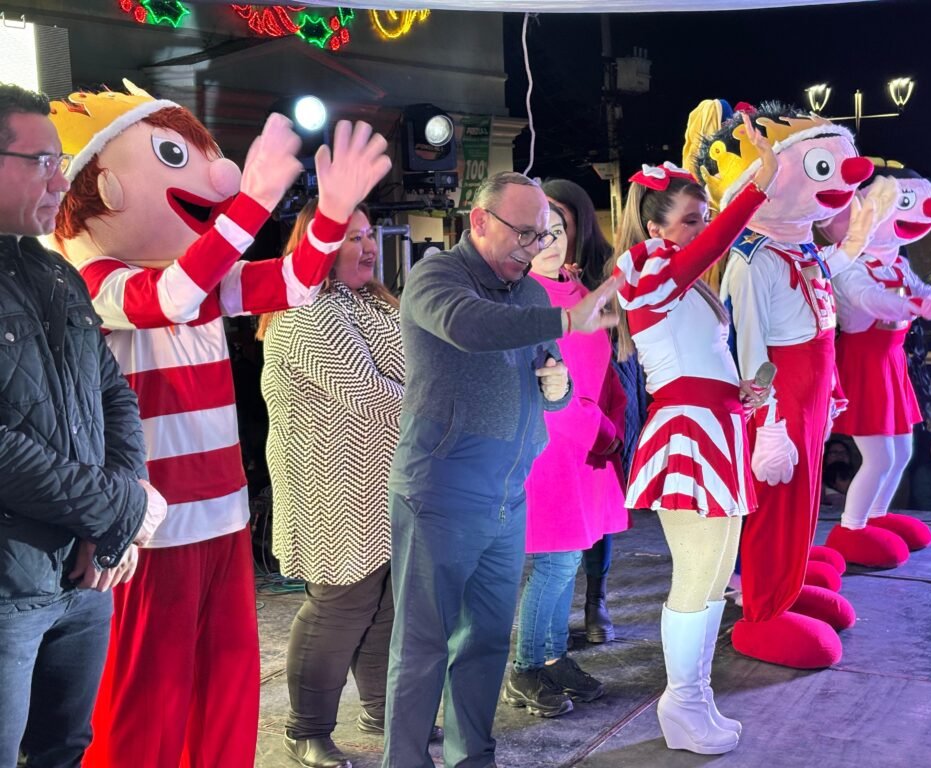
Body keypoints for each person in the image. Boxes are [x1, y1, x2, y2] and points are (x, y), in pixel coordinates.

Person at [50, 82, 393, 768]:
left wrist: (327, 215)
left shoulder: (200, 281)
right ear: (103, 184)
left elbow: (293, 284)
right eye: (178, 155)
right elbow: (170, 299)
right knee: (150, 689)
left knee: (227, 682)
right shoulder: (93, 279)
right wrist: (254, 201)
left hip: (223, 518)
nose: (223, 173)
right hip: (148, 529)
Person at [383, 171, 620, 768]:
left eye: (542, 236)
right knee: (423, 646)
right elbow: (471, 327)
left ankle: (472, 758)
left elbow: (546, 385)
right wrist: (566, 322)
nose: (533, 248)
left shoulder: (532, 295)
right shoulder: (437, 277)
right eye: (524, 233)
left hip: (508, 496)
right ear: (479, 221)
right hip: (441, 492)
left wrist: (559, 390)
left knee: (487, 642)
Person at [0, 82, 165, 767]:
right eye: (41, 159)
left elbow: (112, 395)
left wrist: (113, 525)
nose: (59, 177)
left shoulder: (55, 274)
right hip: (10, 588)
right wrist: (122, 506)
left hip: (84, 578)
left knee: (65, 749)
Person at [701, 101, 892, 668]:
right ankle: (761, 610)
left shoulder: (799, 243)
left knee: (804, 501)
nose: (843, 182)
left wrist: (830, 388)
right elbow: (750, 345)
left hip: (809, 390)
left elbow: (824, 311)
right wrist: (769, 426)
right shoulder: (751, 256)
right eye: (819, 168)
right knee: (774, 507)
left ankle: (786, 587)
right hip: (778, 402)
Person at [614, 111, 777, 754]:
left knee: (714, 577)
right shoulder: (645, 268)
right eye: (691, 218)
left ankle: (694, 697)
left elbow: (699, 357)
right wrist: (761, 181)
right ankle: (681, 702)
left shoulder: (681, 276)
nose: (704, 228)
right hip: (687, 434)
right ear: (655, 226)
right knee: (697, 574)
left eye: (706, 215)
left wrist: (740, 389)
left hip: (717, 423)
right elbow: (712, 251)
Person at [259, 202, 439, 768]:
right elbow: (370, 392)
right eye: (349, 237)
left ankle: (383, 708)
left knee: (386, 602)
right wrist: (443, 402)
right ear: (315, 248)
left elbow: (421, 366)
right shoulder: (306, 313)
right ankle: (304, 728)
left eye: (367, 235)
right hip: (331, 489)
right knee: (339, 606)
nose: (366, 246)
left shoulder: (367, 301)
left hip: (384, 483)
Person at [819, 163, 931, 567]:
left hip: (891, 362)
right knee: (880, 456)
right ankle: (851, 527)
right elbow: (871, 301)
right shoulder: (850, 266)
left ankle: (876, 517)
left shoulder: (897, 263)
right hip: (863, 363)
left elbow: (924, 295)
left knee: (901, 451)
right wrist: (919, 305)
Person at [501, 202, 628, 718]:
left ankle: (553, 659)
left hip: (588, 445)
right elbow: (541, 381)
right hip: (552, 446)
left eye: (557, 231)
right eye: (538, 233)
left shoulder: (579, 292)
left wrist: (610, 424)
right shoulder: (523, 300)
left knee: (569, 559)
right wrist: (596, 429)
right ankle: (526, 668)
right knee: (554, 563)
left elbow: (602, 370)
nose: (550, 240)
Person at [542, 177, 643, 643]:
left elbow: (625, 333)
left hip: (610, 381)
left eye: (559, 220)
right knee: (563, 517)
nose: (549, 233)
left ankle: (596, 597)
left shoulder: (604, 267)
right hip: (561, 394)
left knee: (602, 496)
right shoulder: (538, 274)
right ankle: (543, 644)